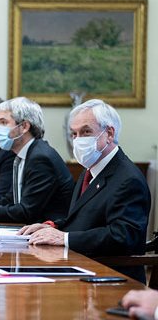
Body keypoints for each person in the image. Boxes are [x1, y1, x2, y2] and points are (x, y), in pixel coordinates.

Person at [19, 99, 150, 282]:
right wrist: (52, 226)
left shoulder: (128, 179)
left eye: (86, 132)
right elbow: (82, 217)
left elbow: (122, 236)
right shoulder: (90, 170)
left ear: (109, 133)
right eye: (74, 134)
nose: (78, 140)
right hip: (80, 266)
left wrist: (65, 238)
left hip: (110, 278)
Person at [0, 97, 73, 223]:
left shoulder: (40, 158)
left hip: (47, 232)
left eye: (4, 123)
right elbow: (9, 200)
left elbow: (26, 211)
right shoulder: (23, 155)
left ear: (24, 126)